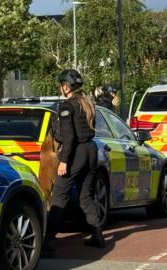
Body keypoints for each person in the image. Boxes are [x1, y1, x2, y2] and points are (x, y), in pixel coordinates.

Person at [44, 69, 105, 251]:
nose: (60, 89)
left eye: (61, 86)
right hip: (91, 150)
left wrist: (64, 161)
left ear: (66, 86)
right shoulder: (87, 103)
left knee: (59, 196)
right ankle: (97, 234)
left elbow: (69, 138)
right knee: (86, 196)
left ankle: (48, 240)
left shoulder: (66, 106)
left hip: (75, 153)